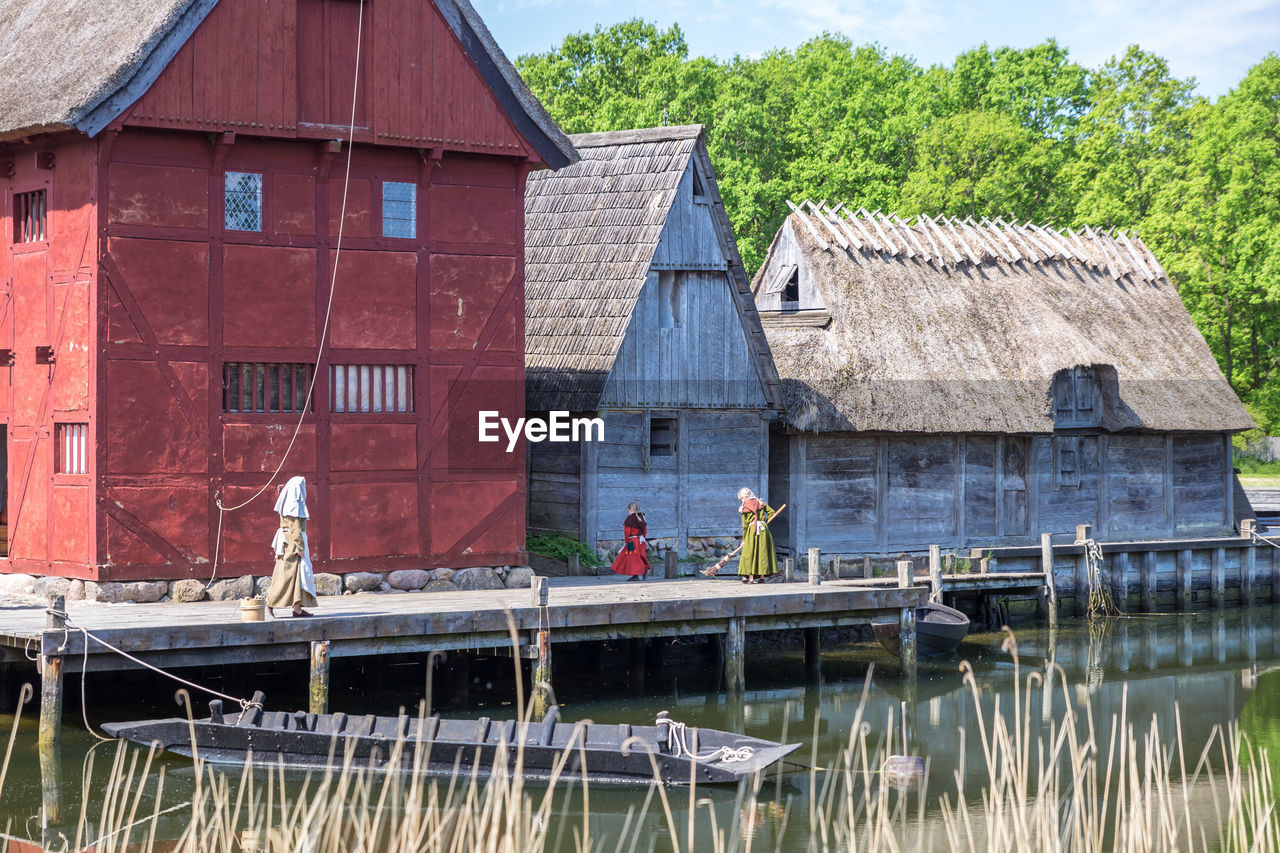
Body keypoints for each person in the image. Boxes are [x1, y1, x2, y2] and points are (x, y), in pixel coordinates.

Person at [266, 476, 318, 617]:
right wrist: (300, 547)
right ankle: (271, 601)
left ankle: (297, 609)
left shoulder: (294, 505)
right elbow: (295, 528)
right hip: (292, 544)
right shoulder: (293, 505)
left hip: (292, 541)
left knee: (299, 575)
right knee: (288, 574)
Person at [737, 487, 777, 584]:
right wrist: (764, 523)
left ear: (743, 497)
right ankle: (761, 578)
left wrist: (744, 539)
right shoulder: (760, 503)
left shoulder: (744, 508)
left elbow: (745, 526)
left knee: (750, 553)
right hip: (764, 531)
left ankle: (750, 579)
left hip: (752, 531)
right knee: (762, 552)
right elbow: (772, 513)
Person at [609, 501, 650, 580]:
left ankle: (638, 574)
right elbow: (645, 530)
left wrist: (626, 540)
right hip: (640, 540)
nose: (628, 512)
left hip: (632, 541)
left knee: (633, 558)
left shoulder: (630, 519)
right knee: (640, 556)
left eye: (628, 510)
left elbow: (627, 531)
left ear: (631, 509)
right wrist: (642, 538)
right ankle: (644, 569)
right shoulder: (642, 518)